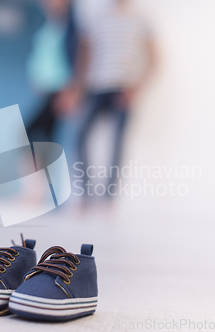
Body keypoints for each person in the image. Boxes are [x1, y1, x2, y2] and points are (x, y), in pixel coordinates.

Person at [60, 0, 157, 204]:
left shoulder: (141, 18)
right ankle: (85, 195)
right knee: (79, 137)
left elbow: (154, 58)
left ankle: (108, 200)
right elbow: (86, 54)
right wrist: (78, 88)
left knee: (117, 144)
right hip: (96, 87)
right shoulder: (98, 16)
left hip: (124, 88)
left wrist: (137, 88)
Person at [26, 0, 78, 143]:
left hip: (60, 88)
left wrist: (71, 88)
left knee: (32, 132)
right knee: (39, 134)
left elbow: (74, 58)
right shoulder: (47, 26)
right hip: (48, 88)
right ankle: (38, 163)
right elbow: (41, 56)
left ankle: (38, 163)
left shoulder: (70, 27)